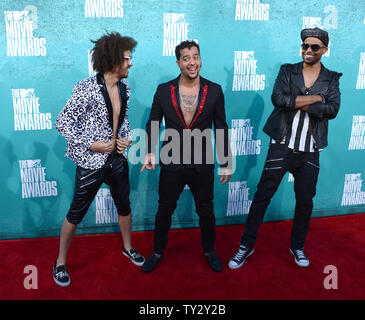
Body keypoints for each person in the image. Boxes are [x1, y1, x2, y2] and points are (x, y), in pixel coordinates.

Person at [229, 27, 342, 269]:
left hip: (310, 148)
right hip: (281, 144)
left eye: (314, 46)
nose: (308, 50)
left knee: (304, 201)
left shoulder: (331, 78)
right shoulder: (287, 71)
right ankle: (246, 245)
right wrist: (316, 99)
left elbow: (332, 109)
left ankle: (297, 247)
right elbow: (279, 100)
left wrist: (300, 102)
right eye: (305, 46)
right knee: (262, 196)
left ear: (324, 50)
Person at [53, 32, 144, 287]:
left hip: (117, 159)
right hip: (91, 163)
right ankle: (60, 261)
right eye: (127, 58)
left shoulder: (125, 88)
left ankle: (128, 247)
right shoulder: (86, 88)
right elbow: (62, 123)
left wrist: (126, 138)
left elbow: (122, 121)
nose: (131, 63)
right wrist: (91, 144)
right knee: (76, 213)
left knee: (124, 205)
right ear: (114, 60)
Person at [141, 40, 232, 273]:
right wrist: (150, 151)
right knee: (164, 209)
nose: (192, 62)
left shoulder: (214, 90)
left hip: (202, 161)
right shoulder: (164, 90)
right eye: (186, 58)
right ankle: (158, 251)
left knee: (206, 209)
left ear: (200, 59)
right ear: (178, 62)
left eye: (196, 56)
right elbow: (153, 123)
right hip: (172, 160)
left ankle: (210, 250)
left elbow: (220, 127)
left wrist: (225, 162)